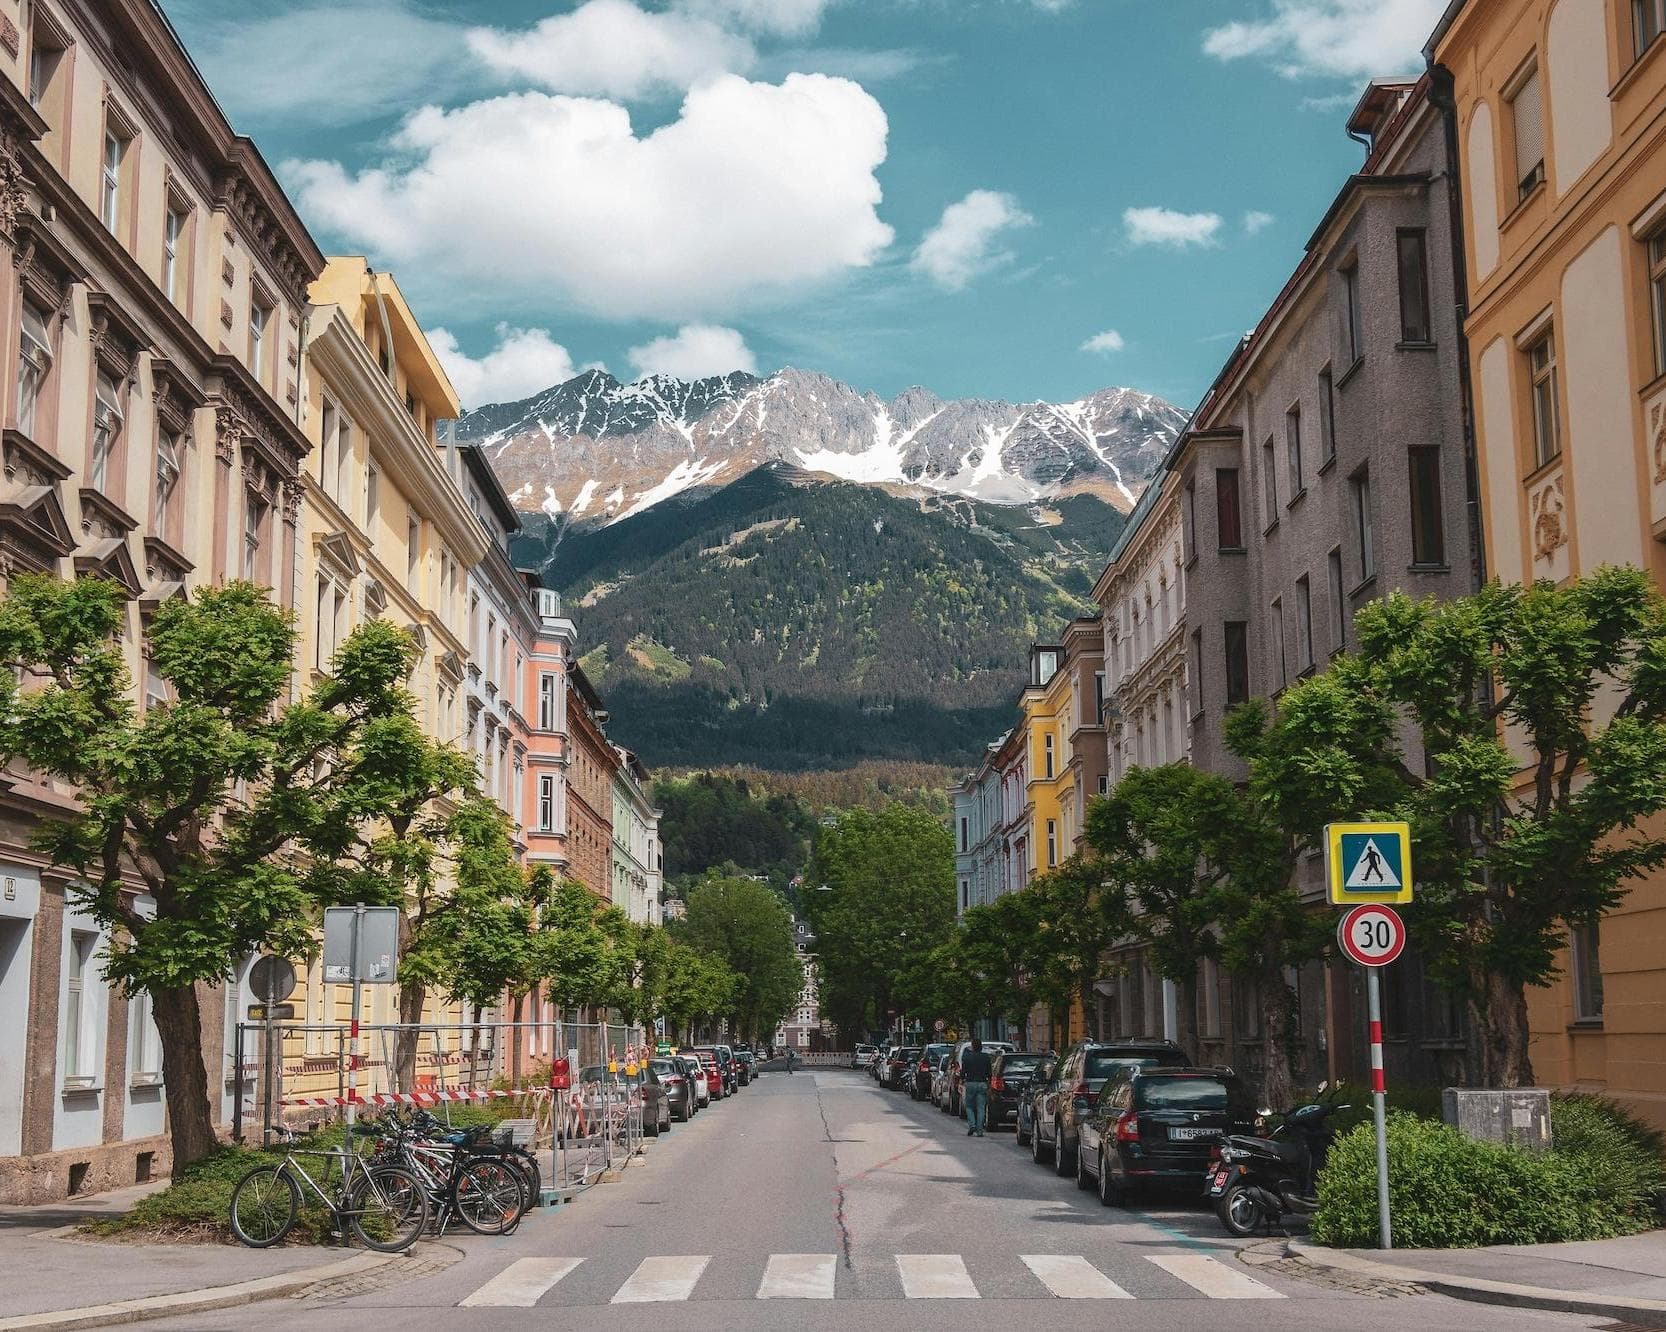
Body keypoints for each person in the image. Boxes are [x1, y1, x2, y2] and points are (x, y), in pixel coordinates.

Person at [960, 1037, 993, 1137]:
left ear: (973, 1047)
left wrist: (961, 1082)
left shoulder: (967, 1057)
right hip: (982, 1083)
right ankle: (980, 1130)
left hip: (970, 1083)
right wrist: (989, 1084)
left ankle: (972, 1125)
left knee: (969, 1106)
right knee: (981, 1107)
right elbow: (989, 1073)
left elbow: (963, 1072)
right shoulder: (986, 1057)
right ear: (981, 1047)